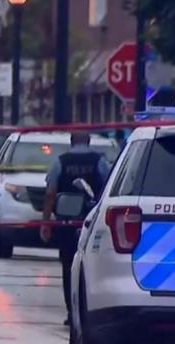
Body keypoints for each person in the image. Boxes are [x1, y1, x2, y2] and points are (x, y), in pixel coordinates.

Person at [41, 132, 112, 326]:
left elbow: (50, 194)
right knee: (92, 267)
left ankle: (72, 312)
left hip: (66, 224)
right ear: (88, 141)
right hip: (92, 222)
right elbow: (110, 188)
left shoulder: (60, 162)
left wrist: (46, 223)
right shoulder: (100, 161)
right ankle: (89, 311)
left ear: (71, 141)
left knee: (68, 268)